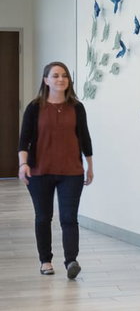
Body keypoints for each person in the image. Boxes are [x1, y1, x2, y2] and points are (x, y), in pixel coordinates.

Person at [17, 62, 94, 278]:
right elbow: (24, 140)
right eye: (56, 75)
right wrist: (23, 164)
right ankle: (46, 261)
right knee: (43, 217)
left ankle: (71, 261)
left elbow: (85, 138)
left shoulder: (77, 108)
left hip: (72, 171)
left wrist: (90, 166)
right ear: (46, 80)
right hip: (39, 172)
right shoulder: (34, 107)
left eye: (65, 76)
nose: (61, 79)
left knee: (69, 217)